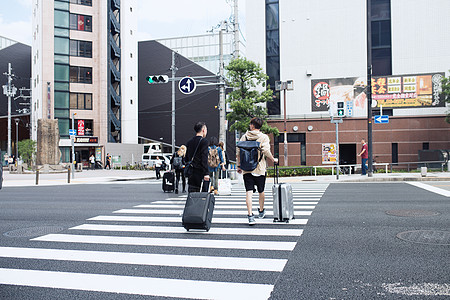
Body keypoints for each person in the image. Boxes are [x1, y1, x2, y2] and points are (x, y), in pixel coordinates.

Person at [237, 117, 278, 226]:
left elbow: (238, 151)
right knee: (261, 190)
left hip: (246, 168)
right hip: (259, 168)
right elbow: (266, 151)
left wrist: (239, 165)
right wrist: (273, 159)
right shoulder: (264, 137)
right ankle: (261, 210)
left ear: (252, 126)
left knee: (249, 192)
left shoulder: (244, 136)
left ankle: (250, 216)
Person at [185, 121, 210, 192]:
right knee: (201, 196)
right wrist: (206, 173)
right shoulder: (204, 141)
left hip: (191, 172)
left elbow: (186, 158)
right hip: (199, 172)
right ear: (203, 130)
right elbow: (204, 158)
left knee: (192, 194)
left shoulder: (189, 142)